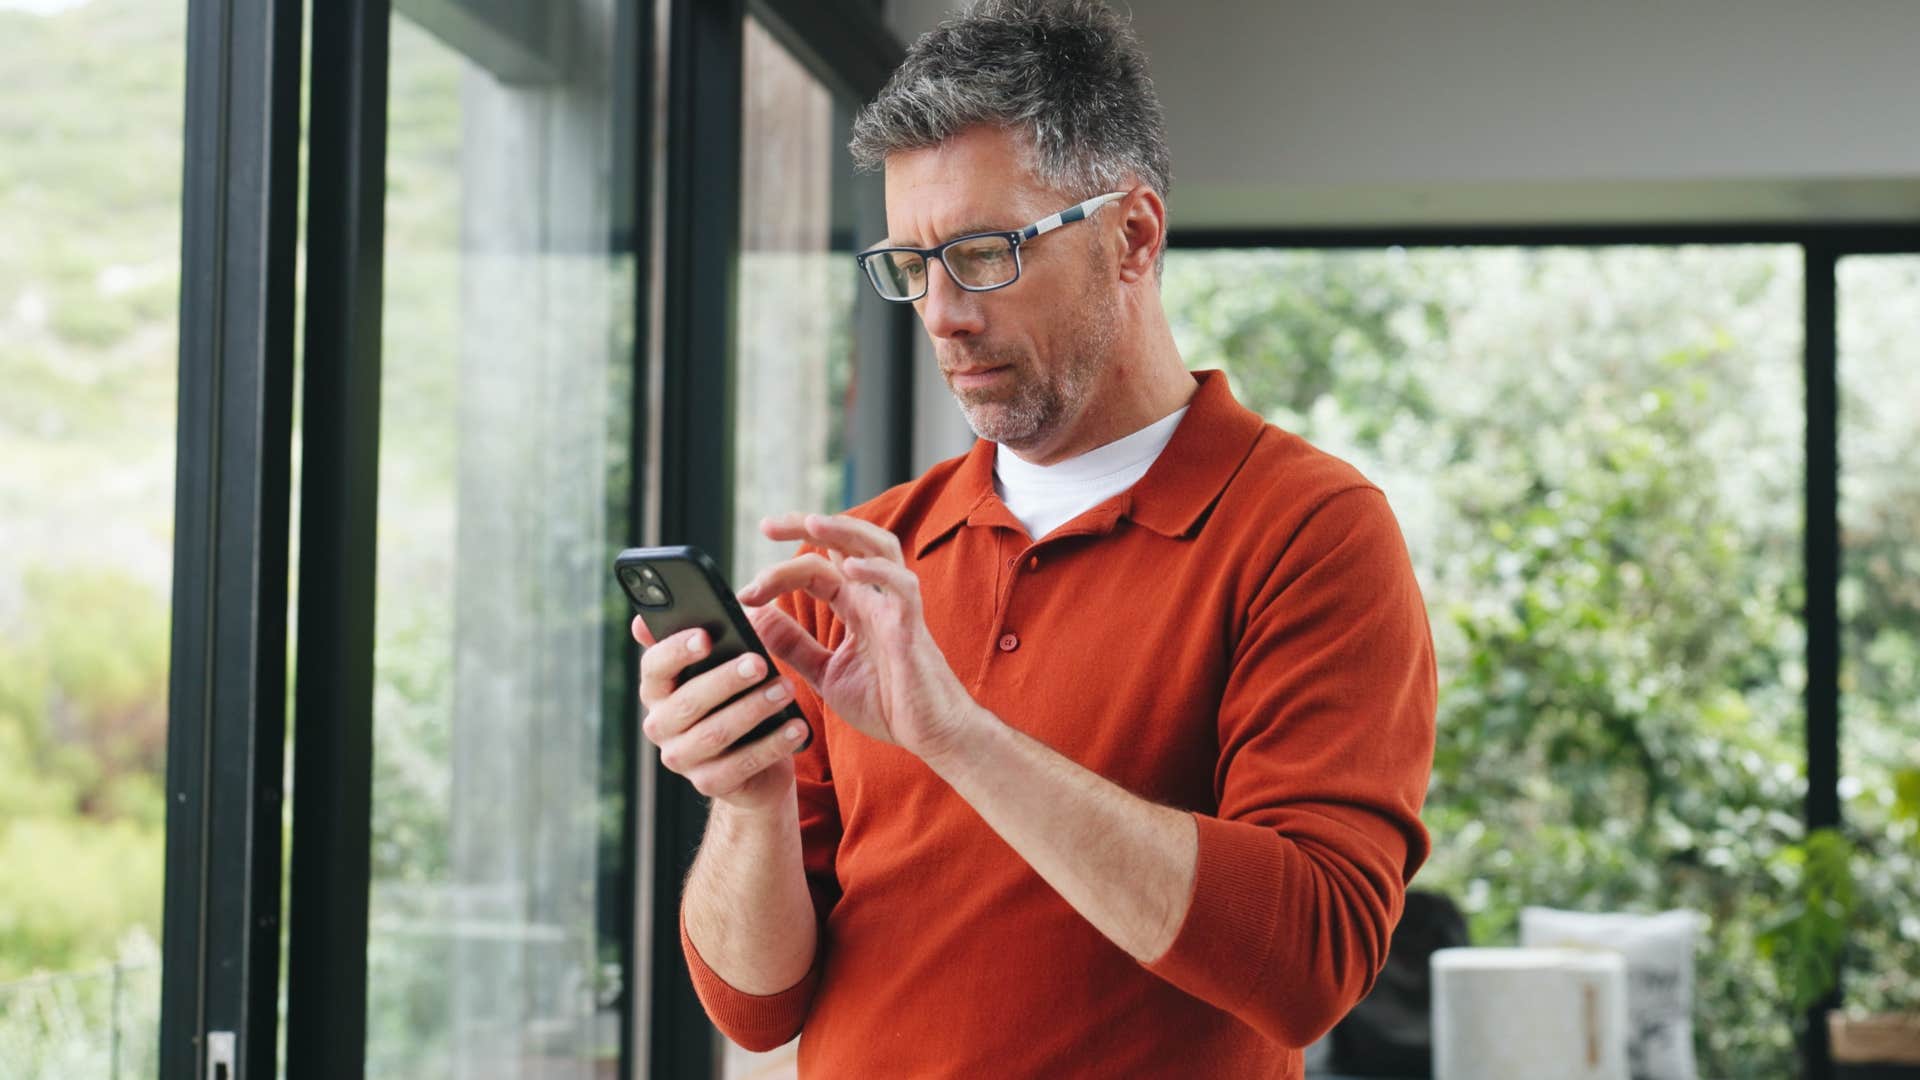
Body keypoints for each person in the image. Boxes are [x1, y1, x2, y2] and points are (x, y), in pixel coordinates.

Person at [631, 1, 1436, 1075]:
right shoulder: (874, 553)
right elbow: (755, 1006)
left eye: (982, 252)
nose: (943, 315)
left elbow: (1308, 965)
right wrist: (749, 796)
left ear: (1132, 237)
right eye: (914, 265)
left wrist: (959, 735)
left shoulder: (1311, 531)